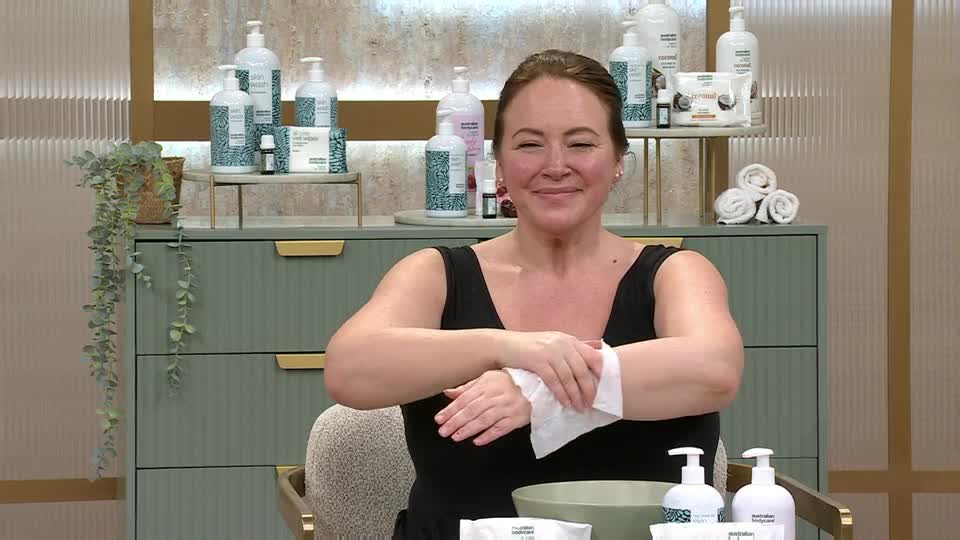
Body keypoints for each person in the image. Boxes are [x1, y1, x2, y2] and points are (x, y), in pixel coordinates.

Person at [324, 49, 744, 539]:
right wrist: (512, 349)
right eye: (529, 145)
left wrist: (537, 393)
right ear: (498, 164)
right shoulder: (436, 274)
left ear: (617, 162)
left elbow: (713, 369)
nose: (556, 165)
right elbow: (349, 369)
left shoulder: (675, 272)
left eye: (581, 143)